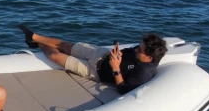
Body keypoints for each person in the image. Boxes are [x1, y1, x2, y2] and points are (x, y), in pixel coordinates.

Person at [18, 26, 167, 95]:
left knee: (55, 56)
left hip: (95, 70)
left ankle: (38, 44)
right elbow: (128, 51)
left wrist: (115, 68)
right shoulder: (140, 51)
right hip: (100, 53)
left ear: (149, 57)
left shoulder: (143, 73)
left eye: (139, 50)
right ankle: (34, 37)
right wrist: (118, 53)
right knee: (64, 45)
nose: (136, 49)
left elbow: (123, 89)